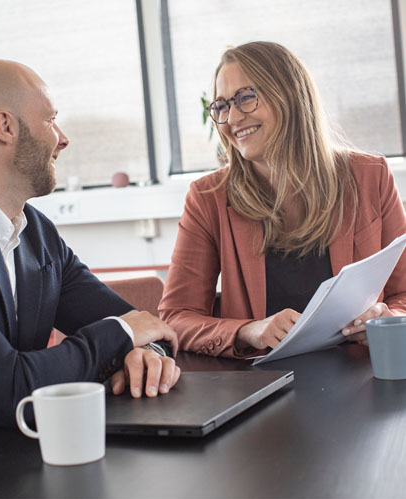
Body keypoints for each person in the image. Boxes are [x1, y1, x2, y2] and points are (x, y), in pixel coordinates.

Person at [0, 59, 180, 468]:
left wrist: (146, 353)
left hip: (20, 463)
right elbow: (10, 393)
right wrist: (123, 334)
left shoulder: (35, 231)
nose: (63, 138)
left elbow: (141, 325)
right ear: (6, 126)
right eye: (51, 119)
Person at [159, 41, 406, 358]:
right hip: (266, 386)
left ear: (290, 96)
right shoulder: (208, 198)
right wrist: (250, 331)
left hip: (363, 374)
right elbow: (175, 318)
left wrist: (389, 320)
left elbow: (402, 294)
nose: (232, 118)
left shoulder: (370, 176)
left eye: (245, 98)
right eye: (221, 106)